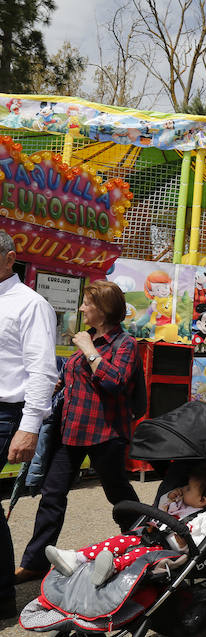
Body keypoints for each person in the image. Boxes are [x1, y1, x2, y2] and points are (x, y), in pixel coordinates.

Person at [18, 280, 141, 585]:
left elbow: (116, 383)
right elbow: (72, 380)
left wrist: (88, 350)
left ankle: (146, 545)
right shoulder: (85, 340)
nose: (82, 308)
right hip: (70, 431)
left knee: (119, 495)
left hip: (106, 433)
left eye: (88, 303)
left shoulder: (125, 344)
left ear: (104, 308)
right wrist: (56, 384)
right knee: (52, 496)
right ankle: (33, 563)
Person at [44, 464, 206, 587]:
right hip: (149, 535)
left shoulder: (204, 518)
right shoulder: (178, 503)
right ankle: (76, 557)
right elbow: (159, 508)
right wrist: (168, 498)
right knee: (119, 541)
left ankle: (112, 567)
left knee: (139, 554)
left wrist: (180, 538)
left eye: (188, 489)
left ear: (202, 500)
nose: (183, 489)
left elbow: (195, 545)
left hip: (168, 552)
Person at [0, 230, 57, 617]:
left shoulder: (30, 304)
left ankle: (2, 597)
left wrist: (30, 424)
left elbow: (42, 371)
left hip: (6, 413)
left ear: (9, 258)